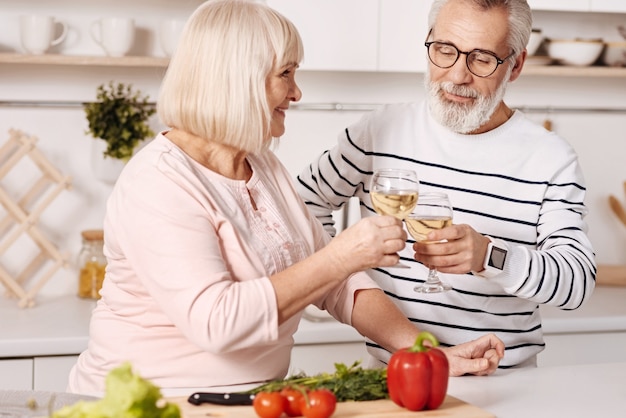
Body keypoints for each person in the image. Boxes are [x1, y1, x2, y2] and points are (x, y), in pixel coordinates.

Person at [67, 0, 505, 397]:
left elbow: (339, 284)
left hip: (248, 402)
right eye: (285, 74)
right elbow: (217, 322)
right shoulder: (159, 183)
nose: (296, 92)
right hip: (151, 403)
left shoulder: (263, 166)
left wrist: (427, 352)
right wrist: (341, 255)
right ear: (237, 77)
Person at [297, 0, 596, 370]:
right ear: (429, 42)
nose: (457, 76)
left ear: (515, 65)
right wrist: (346, 276)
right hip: (394, 375)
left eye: (482, 58)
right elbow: (301, 206)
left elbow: (577, 284)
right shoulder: (380, 131)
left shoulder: (551, 158)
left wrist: (489, 256)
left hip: (505, 383)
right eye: (445, 50)